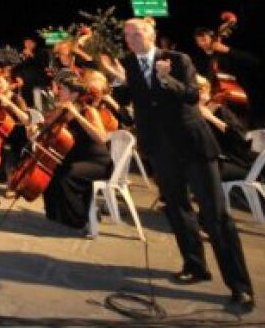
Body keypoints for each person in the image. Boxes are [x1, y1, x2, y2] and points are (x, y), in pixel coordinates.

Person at [106, 18, 254, 314]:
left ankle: (240, 286)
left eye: (137, 33)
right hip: (160, 150)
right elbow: (131, 100)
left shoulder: (177, 59)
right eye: (127, 35)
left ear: (151, 35)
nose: (131, 38)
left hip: (193, 146)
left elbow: (191, 95)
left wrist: (165, 79)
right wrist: (115, 82)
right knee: (176, 209)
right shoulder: (129, 64)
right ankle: (195, 265)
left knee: (215, 216)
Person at [41, 70, 112, 230]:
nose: (59, 92)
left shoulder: (89, 111)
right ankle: (58, 214)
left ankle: (81, 217)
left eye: (62, 90)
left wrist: (77, 115)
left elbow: (101, 137)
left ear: (73, 94)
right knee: (51, 170)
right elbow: (45, 124)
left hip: (98, 163)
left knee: (66, 175)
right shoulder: (63, 111)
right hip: (76, 158)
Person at [194, 75, 257, 182]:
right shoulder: (194, 113)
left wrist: (211, 117)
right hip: (215, 160)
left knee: (197, 169)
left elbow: (240, 137)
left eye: (200, 91)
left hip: (236, 162)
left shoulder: (219, 110)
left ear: (205, 92)